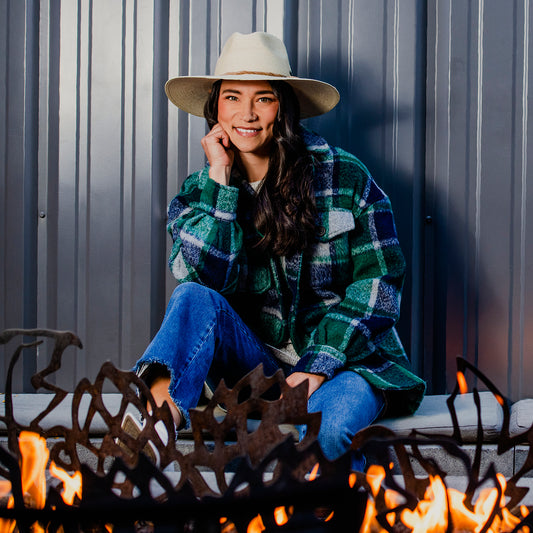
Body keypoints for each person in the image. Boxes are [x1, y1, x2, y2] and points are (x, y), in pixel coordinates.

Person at [130, 31, 425, 469]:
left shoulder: (344, 176)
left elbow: (378, 284)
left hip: (346, 362)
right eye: (232, 97)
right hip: (257, 369)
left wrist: (320, 362)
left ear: (283, 108)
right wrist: (220, 180)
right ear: (215, 109)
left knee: (328, 436)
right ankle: (155, 428)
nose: (246, 114)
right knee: (191, 297)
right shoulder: (201, 192)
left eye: (263, 98)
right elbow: (204, 280)